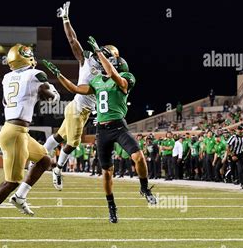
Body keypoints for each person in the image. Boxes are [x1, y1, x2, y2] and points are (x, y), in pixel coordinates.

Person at [43, 36, 157, 224]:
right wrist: (58, 75)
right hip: (102, 130)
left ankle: (144, 188)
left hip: (119, 126)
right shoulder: (97, 81)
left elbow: (113, 75)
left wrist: (97, 52)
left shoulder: (126, 78)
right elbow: (75, 89)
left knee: (138, 157)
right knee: (106, 173)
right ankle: (112, 207)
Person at [0, 44, 60, 233]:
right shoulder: (35, 74)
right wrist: (52, 93)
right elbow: (50, 96)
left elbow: (7, 101)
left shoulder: (7, 77)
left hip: (16, 130)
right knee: (11, 181)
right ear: (27, 57)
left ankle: (20, 198)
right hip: (15, 133)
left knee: (45, 160)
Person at [42, 2, 117, 191]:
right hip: (78, 109)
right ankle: (58, 169)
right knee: (72, 143)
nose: (112, 61)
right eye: (111, 57)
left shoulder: (109, 73)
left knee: (59, 136)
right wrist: (66, 19)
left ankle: (37, 157)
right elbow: (72, 40)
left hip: (80, 109)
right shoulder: (88, 61)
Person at [226, 125, 243, 189]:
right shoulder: (233, 137)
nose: (240, 131)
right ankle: (234, 178)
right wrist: (232, 155)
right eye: (239, 129)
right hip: (233, 153)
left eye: (241, 129)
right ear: (236, 130)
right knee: (233, 168)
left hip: (240, 154)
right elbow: (227, 147)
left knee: (241, 168)